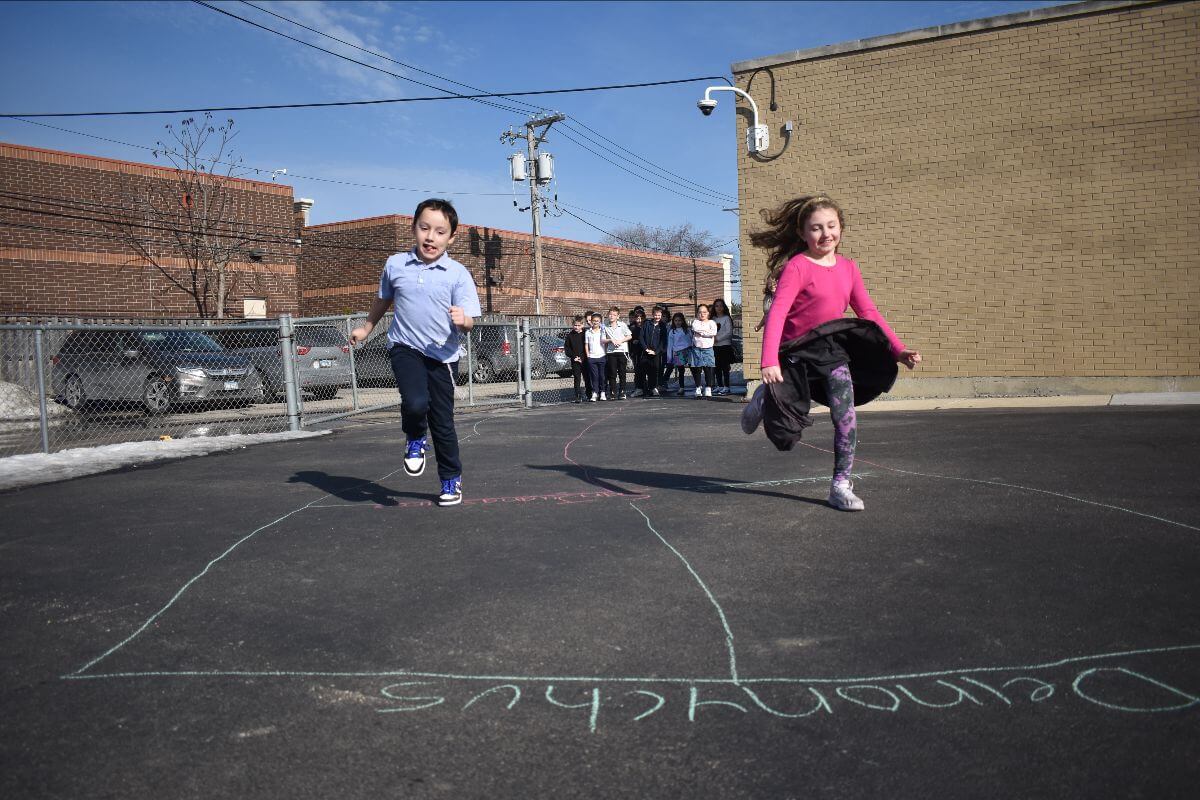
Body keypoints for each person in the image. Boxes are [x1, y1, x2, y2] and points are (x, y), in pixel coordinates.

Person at [748, 194, 921, 511]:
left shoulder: (848, 268)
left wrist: (897, 349)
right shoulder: (798, 267)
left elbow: (868, 311)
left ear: (841, 227)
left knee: (846, 416)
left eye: (831, 226)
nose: (825, 234)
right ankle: (765, 398)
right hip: (796, 352)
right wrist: (769, 360)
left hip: (831, 351)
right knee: (785, 436)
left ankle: (840, 485)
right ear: (802, 233)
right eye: (816, 228)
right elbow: (778, 313)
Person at [350, 198, 481, 507]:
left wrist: (464, 320)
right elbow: (383, 300)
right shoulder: (396, 265)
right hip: (405, 346)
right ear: (413, 229)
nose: (430, 237)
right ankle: (415, 437)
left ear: (451, 238)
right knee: (415, 402)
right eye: (424, 228)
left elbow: (471, 321)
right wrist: (366, 328)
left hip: (443, 357)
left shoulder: (457, 273)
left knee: (443, 423)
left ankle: (451, 479)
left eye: (439, 232)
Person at [601, 306, 632, 400]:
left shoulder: (622, 325)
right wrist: (611, 340)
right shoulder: (604, 326)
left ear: (618, 316)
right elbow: (603, 340)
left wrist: (621, 341)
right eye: (610, 314)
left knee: (622, 373)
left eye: (614, 315)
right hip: (611, 352)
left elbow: (629, 336)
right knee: (612, 373)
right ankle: (613, 392)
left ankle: (622, 391)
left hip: (622, 351)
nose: (611, 316)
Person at [638, 306, 668, 397]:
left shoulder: (662, 326)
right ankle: (641, 389)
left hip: (655, 353)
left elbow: (663, 341)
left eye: (659, 315)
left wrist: (656, 351)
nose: (657, 317)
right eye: (655, 315)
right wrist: (646, 349)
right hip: (645, 352)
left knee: (654, 372)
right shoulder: (647, 324)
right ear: (652, 314)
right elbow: (641, 337)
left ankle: (653, 388)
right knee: (642, 371)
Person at [689, 304, 717, 398]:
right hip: (696, 349)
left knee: (708, 369)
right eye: (700, 312)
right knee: (697, 369)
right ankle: (698, 387)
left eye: (704, 312)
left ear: (708, 313)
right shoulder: (695, 322)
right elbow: (695, 329)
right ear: (697, 313)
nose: (702, 314)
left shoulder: (712, 322)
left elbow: (713, 332)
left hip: (708, 349)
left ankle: (708, 388)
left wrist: (701, 333)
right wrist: (706, 333)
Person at [711, 298, 735, 395]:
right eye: (716, 306)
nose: (719, 308)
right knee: (717, 367)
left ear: (724, 307)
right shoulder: (712, 319)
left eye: (721, 305)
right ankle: (720, 386)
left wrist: (717, 339)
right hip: (715, 346)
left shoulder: (727, 318)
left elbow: (729, 332)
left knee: (725, 367)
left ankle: (726, 387)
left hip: (725, 346)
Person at [665, 312, 691, 396]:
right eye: (676, 320)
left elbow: (691, 340)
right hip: (678, 352)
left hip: (688, 351)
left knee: (693, 369)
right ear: (673, 321)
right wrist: (669, 357)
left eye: (679, 320)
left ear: (682, 321)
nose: (678, 322)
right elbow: (670, 345)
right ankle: (681, 387)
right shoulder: (672, 332)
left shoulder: (687, 330)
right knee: (681, 370)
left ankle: (698, 386)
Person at [563, 315, 587, 403]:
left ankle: (589, 393)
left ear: (582, 325)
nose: (576, 327)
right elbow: (567, 349)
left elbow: (588, 347)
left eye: (578, 325)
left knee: (587, 377)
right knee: (577, 378)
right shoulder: (570, 336)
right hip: (575, 360)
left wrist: (583, 358)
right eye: (575, 325)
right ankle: (578, 395)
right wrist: (574, 357)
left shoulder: (586, 334)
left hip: (585, 360)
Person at [584, 312, 607, 401]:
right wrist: (588, 356)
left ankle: (603, 392)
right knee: (594, 376)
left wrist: (605, 353)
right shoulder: (588, 332)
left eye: (597, 321)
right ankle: (595, 393)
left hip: (602, 356)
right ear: (591, 321)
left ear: (600, 322)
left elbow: (605, 343)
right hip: (592, 357)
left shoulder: (603, 331)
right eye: (594, 321)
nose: (595, 322)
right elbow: (586, 345)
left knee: (602, 376)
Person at [627, 309, 645, 396]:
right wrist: (631, 351)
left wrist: (640, 341)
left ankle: (645, 387)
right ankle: (638, 388)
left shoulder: (646, 326)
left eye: (641, 318)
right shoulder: (632, 327)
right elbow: (629, 340)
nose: (639, 320)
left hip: (645, 351)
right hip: (636, 352)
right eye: (637, 318)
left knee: (646, 370)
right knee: (638, 371)